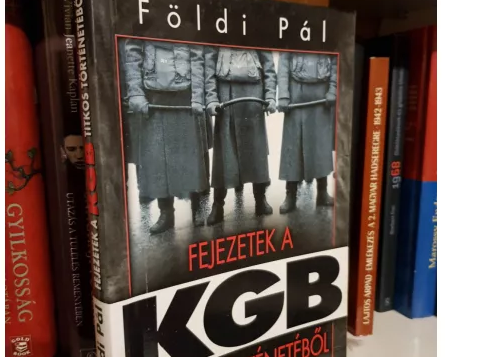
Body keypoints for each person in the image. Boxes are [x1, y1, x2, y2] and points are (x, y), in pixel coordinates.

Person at [122, 39, 209, 234]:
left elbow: (197, 56)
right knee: (158, 160)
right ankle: (166, 214)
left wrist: (197, 97)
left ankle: (197, 209)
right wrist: (136, 94)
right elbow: (132, 54)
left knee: (190, 157)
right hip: (152, 97)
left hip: (185, 96)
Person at [204, 47, 277, 225]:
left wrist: (270, 96)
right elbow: (209, 64)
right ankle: (218, 205)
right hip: (225, 95)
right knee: (223, 155)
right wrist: (212, 99)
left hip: (253, 95)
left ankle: (260, 199)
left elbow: (268, 64)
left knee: (256, 151)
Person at [277, 52, 337, 213]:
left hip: (322, 95)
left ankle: (322, 193)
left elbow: (335, 62)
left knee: (320, 147)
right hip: (295, 94)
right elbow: (284, 62)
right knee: (292, 148)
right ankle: (290, 195)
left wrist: (333, 90)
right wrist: (283, 95)